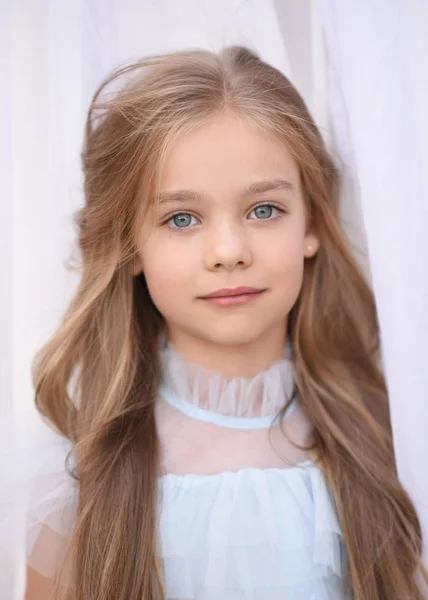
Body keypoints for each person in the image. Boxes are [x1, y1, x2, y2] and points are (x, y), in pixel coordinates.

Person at [3, 46, 427, 600]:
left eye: (264, 210)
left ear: (312, 222)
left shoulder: (390, 435)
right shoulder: (79, 473)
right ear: (131, 244)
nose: (228, 252)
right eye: (182, 218)